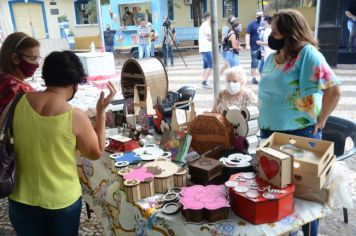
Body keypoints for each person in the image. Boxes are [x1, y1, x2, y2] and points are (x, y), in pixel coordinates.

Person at [6, 51, 117, 236]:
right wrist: (101, 112)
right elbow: (96, 152)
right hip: (61, 202)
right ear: (75, 84)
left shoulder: (17, 102)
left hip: (20, 197)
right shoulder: (75, 116)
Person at [258, 10, 341, 235]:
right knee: (277, 195)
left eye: (275, 32)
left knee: (306, 198)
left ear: (290, 33)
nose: (271, 35)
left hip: (299, 137)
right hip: (269, 137)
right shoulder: (270, 58)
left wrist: (322, 120)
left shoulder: (307, 55)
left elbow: (334, 90)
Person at [0, 32, 40, 117]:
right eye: (33, 59)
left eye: (37, 59)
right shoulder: (14, 89)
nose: (37, 65)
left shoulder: (4, 78)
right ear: (15, 58)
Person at [245, 11, 264, 84]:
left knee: (263, 63)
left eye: (260, 15)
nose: (259, 17)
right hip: (254, 47)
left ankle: (263, 77)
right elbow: (247, 34)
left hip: (264, 48)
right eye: (257, 15)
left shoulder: (265, 24)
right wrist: (247, 44)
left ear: (263, 15)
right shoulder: (252, 24)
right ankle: (254, 78)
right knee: (255, 62)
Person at [199, 12, 213, 89]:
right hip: (206, 48)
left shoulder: (203, 25)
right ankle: (204, 81)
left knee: (205, 66)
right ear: (208, 17)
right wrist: (212, 39)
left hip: (204, 48)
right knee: (211, 65)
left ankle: (204, 80)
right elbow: (209, 35)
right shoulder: (206, 25)